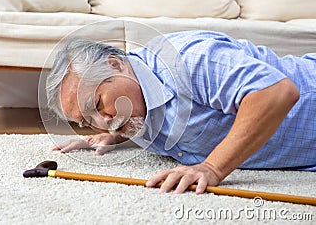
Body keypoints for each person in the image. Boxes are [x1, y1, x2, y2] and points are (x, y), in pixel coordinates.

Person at [45, 30, 316, 194]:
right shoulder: (129, 108)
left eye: (98, 105)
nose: (101, 122)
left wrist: (212, 167)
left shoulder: (190, 60)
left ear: (115, 64)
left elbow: (276, 93)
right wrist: (114, 136)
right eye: (85, 121)